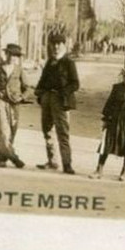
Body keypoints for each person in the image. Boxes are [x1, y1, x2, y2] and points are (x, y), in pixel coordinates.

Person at [34, 35, 79, 174]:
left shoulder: (68, 63)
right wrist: (40, 93)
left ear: (64, 46)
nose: (56, 47)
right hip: (47, 98)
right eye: (53, 44)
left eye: (59, 44)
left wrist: (63, 93)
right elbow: (42, 81)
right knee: (47, 130)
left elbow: (75, 83)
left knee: (62, 132)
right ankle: (52, 160)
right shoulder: (50, 62)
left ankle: (67, 163)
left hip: (61, 101)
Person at [3, 43, 30, 142]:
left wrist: (22, 97)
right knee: (2, 123)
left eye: (15, 55)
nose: (12, 57)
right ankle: (4, 145)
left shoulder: (19, 70)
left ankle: (10, 143)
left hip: (15, 101)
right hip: (2, 100)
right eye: (10, 54)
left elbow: (28, 88)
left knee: (13, 124)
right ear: (6, 54)